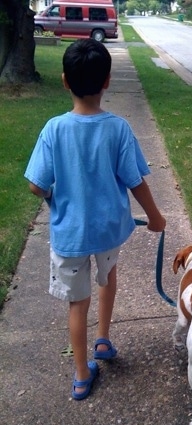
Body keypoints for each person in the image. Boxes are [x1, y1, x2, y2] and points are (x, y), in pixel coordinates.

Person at [24, 39, 166, 401]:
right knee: (108, 279)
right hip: (107, 231)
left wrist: (55, 197)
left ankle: (82, 373)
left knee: (77, 303)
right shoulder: (117, 129)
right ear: (107, 82)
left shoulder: (53, 129)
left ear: (64, 81)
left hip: (69, 235)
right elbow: (135, 180)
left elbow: (34, 185)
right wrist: (155, 217)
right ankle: (103, 338)